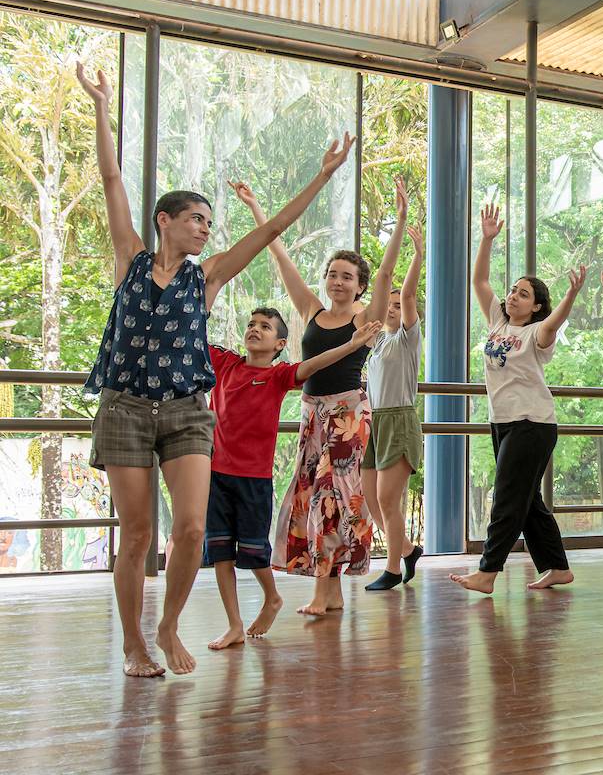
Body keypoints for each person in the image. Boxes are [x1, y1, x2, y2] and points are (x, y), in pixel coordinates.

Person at [77, 64, 354, 676]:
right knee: (138, 533)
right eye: (197, 218)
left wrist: (324, 174)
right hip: (124, 405)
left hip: (185, 411)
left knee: (193, 524)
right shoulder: (131, 261)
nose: (206, 227)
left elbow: (277, 226)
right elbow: (111, 177)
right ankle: (132, 644)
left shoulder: (208, 278)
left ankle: (169, 626)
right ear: (165, 222)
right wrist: (101, 106)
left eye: (209, 221)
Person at [244, 177, 408, 615]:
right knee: (310, 495)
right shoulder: (313, 312)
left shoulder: (365, 319)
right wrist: (258, 209)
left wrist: (401, 220)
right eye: (333, 274)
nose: (338, 281)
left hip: (348, 413)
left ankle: (324, 590)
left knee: (333, 497)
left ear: (359, 286)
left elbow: (389, 274)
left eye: (347, 277)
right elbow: (281, 260)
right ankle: (330, 593)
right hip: (313, 413)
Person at [205, 309, 381, 650]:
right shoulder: (225, 363)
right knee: (220, 553)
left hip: (253, 480)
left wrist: (351, 345)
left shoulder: (278, 376)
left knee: (254, 551)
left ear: (280, 343)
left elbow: (314, 365)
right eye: (251, 324)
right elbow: (193, 328)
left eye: (265, 327)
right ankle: (233, 624)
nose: (255, 329)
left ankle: (272, 597)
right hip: (217, 476)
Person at [450, 204, 582, 594]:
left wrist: (571, 295)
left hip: (532, 423)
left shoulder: (537, 333)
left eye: (523, 294)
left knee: (508, 496)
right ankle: (557, 567)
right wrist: (487, 239)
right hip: (502, 421)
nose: (512, 297)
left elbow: (556, 321)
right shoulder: (497, 322)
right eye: (513, 291)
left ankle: (488, 572)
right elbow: (479, 280)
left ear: (536, 306)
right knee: (527, 501)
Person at [361, 224, 426, 591]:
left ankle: (393, 568)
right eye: (389, 303)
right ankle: (408, 550)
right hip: (374, 422)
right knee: (372, 501)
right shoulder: (376, 343)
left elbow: (410, 293)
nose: (394, 307)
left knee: (388, 498)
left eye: (399, 306)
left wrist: (416, 255)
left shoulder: (407, 338)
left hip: (399, 420)